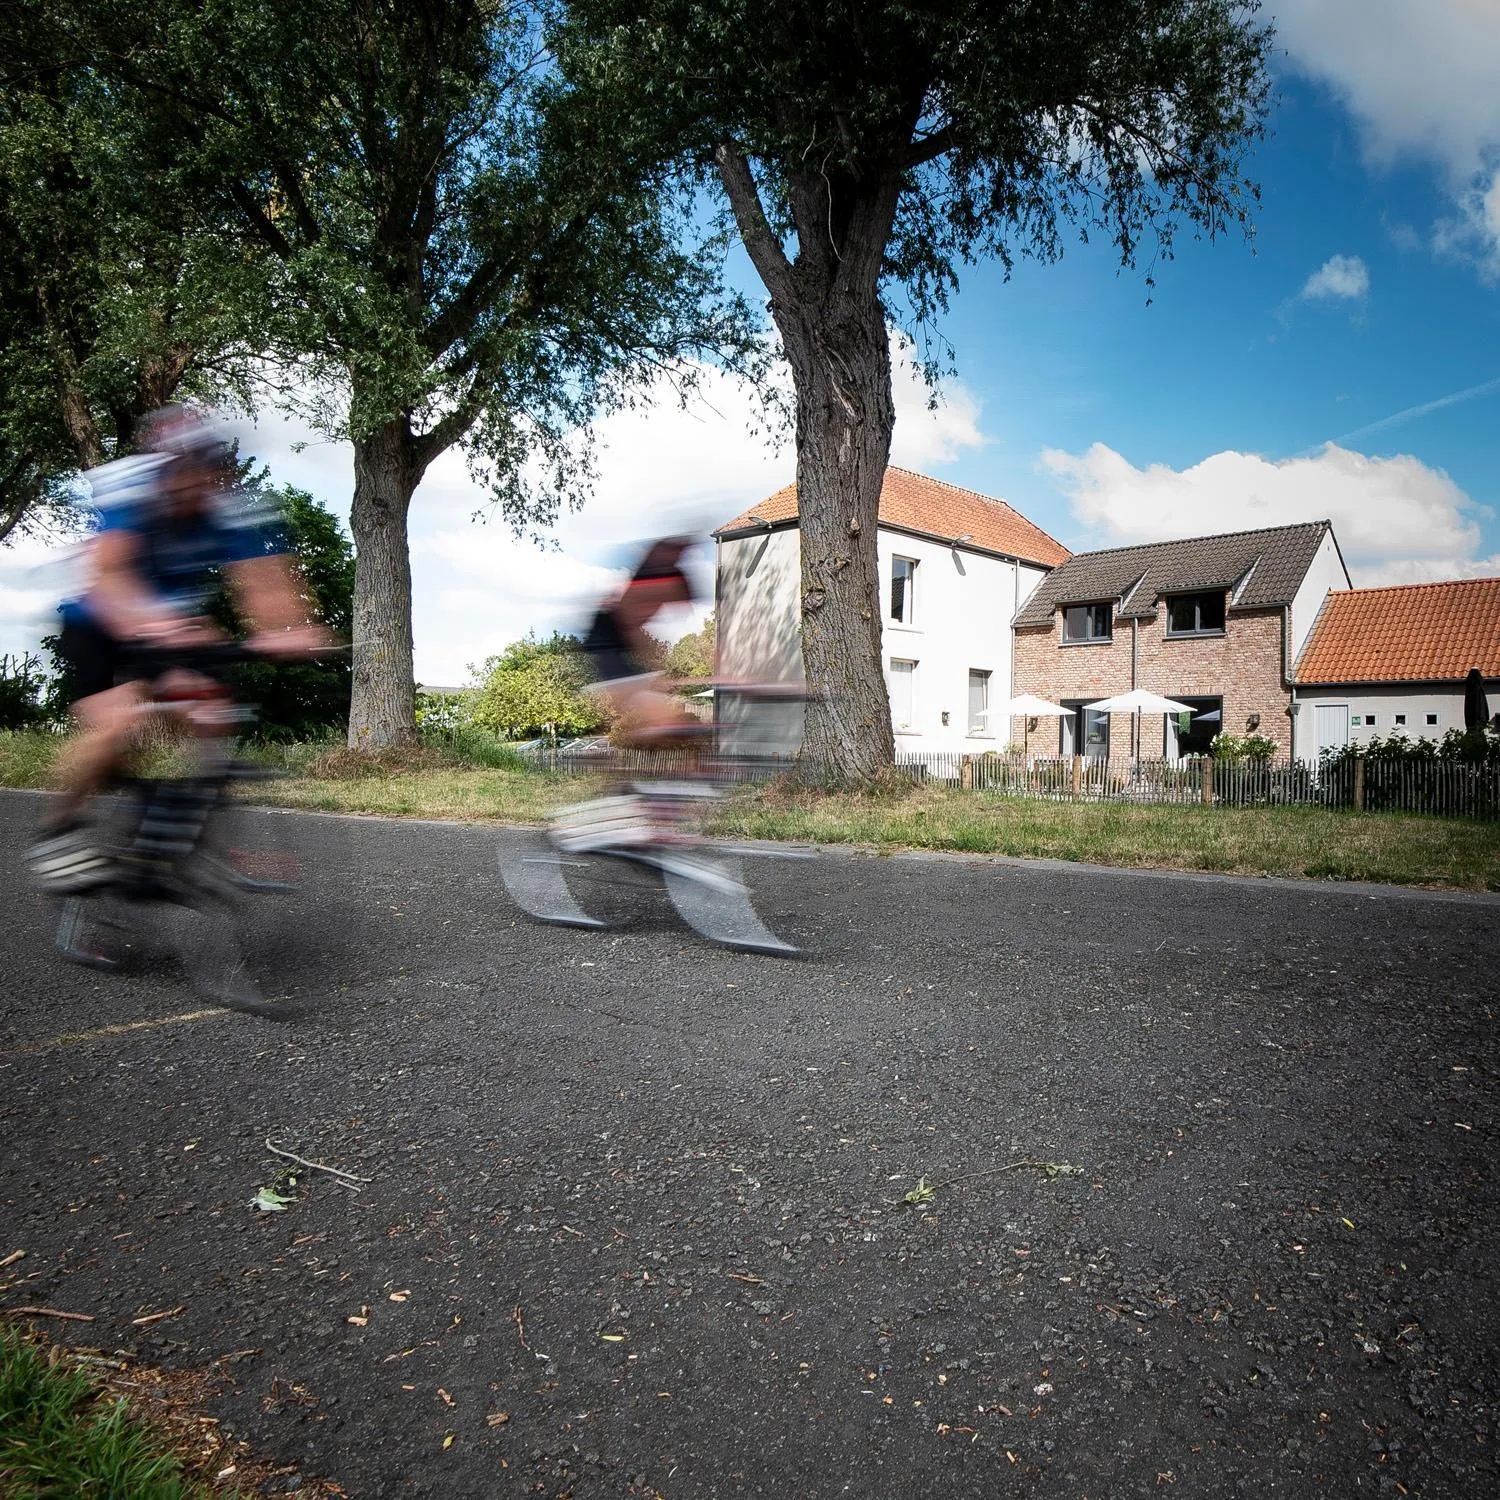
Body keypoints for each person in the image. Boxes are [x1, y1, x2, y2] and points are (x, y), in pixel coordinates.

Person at [26, 406, 329, 892]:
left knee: (211, 713)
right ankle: (58, 833)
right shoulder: (131, 491)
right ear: (162, 471)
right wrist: (158, 624)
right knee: (118, 724)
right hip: (98, 620)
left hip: (173, 628)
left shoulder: (231, 510)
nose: (194, 484)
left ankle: (183, 838)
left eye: (205, 473)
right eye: (181, 473)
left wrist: (290, 629)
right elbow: (111, 576)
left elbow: (265, 582)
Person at [551, 539, 706, 853]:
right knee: (681, 731)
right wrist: (657, 679)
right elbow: (628, 629)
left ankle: (638, 811)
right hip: (609, 651)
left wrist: (657, 678)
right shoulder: (653, 586)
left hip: (616, 654)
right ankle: (646, 821)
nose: (678, 610)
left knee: (675, 734)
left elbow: (637, 639)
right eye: (681, 602)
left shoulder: (657, 585)